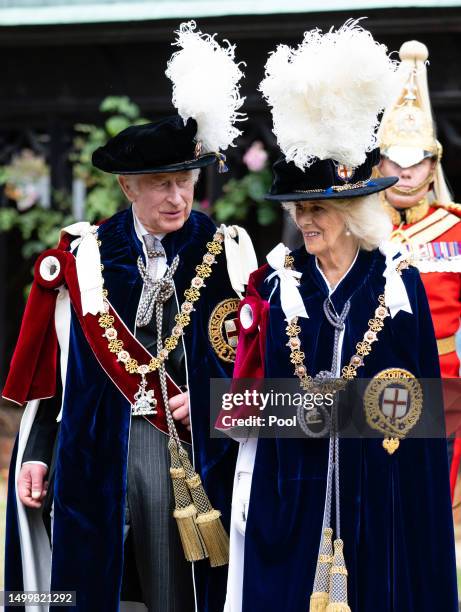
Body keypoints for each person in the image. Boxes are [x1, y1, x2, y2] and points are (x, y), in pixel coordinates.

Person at [3, 22, 256, 612]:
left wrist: (220, 402)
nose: (176, 198)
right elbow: (55, 372)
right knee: (87, 588)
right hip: (94, 448)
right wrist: (37, 449)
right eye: (160, 185)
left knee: (176, 593)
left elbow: (255, 361)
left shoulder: (229, 252)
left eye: (184, 182)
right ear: (127, 187)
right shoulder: (86, 254)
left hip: (188, 452)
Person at [224, 21, 458, 612]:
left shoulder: (396, 283)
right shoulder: (279, 285)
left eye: (319, 208)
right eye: (299, 209)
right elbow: (250, 403)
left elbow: (420, 408)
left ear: (352, 210)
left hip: (376, 491)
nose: (306, 221)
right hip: (293, 492)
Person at [376, 41, 461, 493]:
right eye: (396, 160)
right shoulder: (357, 229)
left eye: (417, 161)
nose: (406, 173)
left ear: (432, 166)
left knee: (433, 499)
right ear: (381, 162)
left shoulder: (456, 229)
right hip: (370, 379)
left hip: (443, 382)